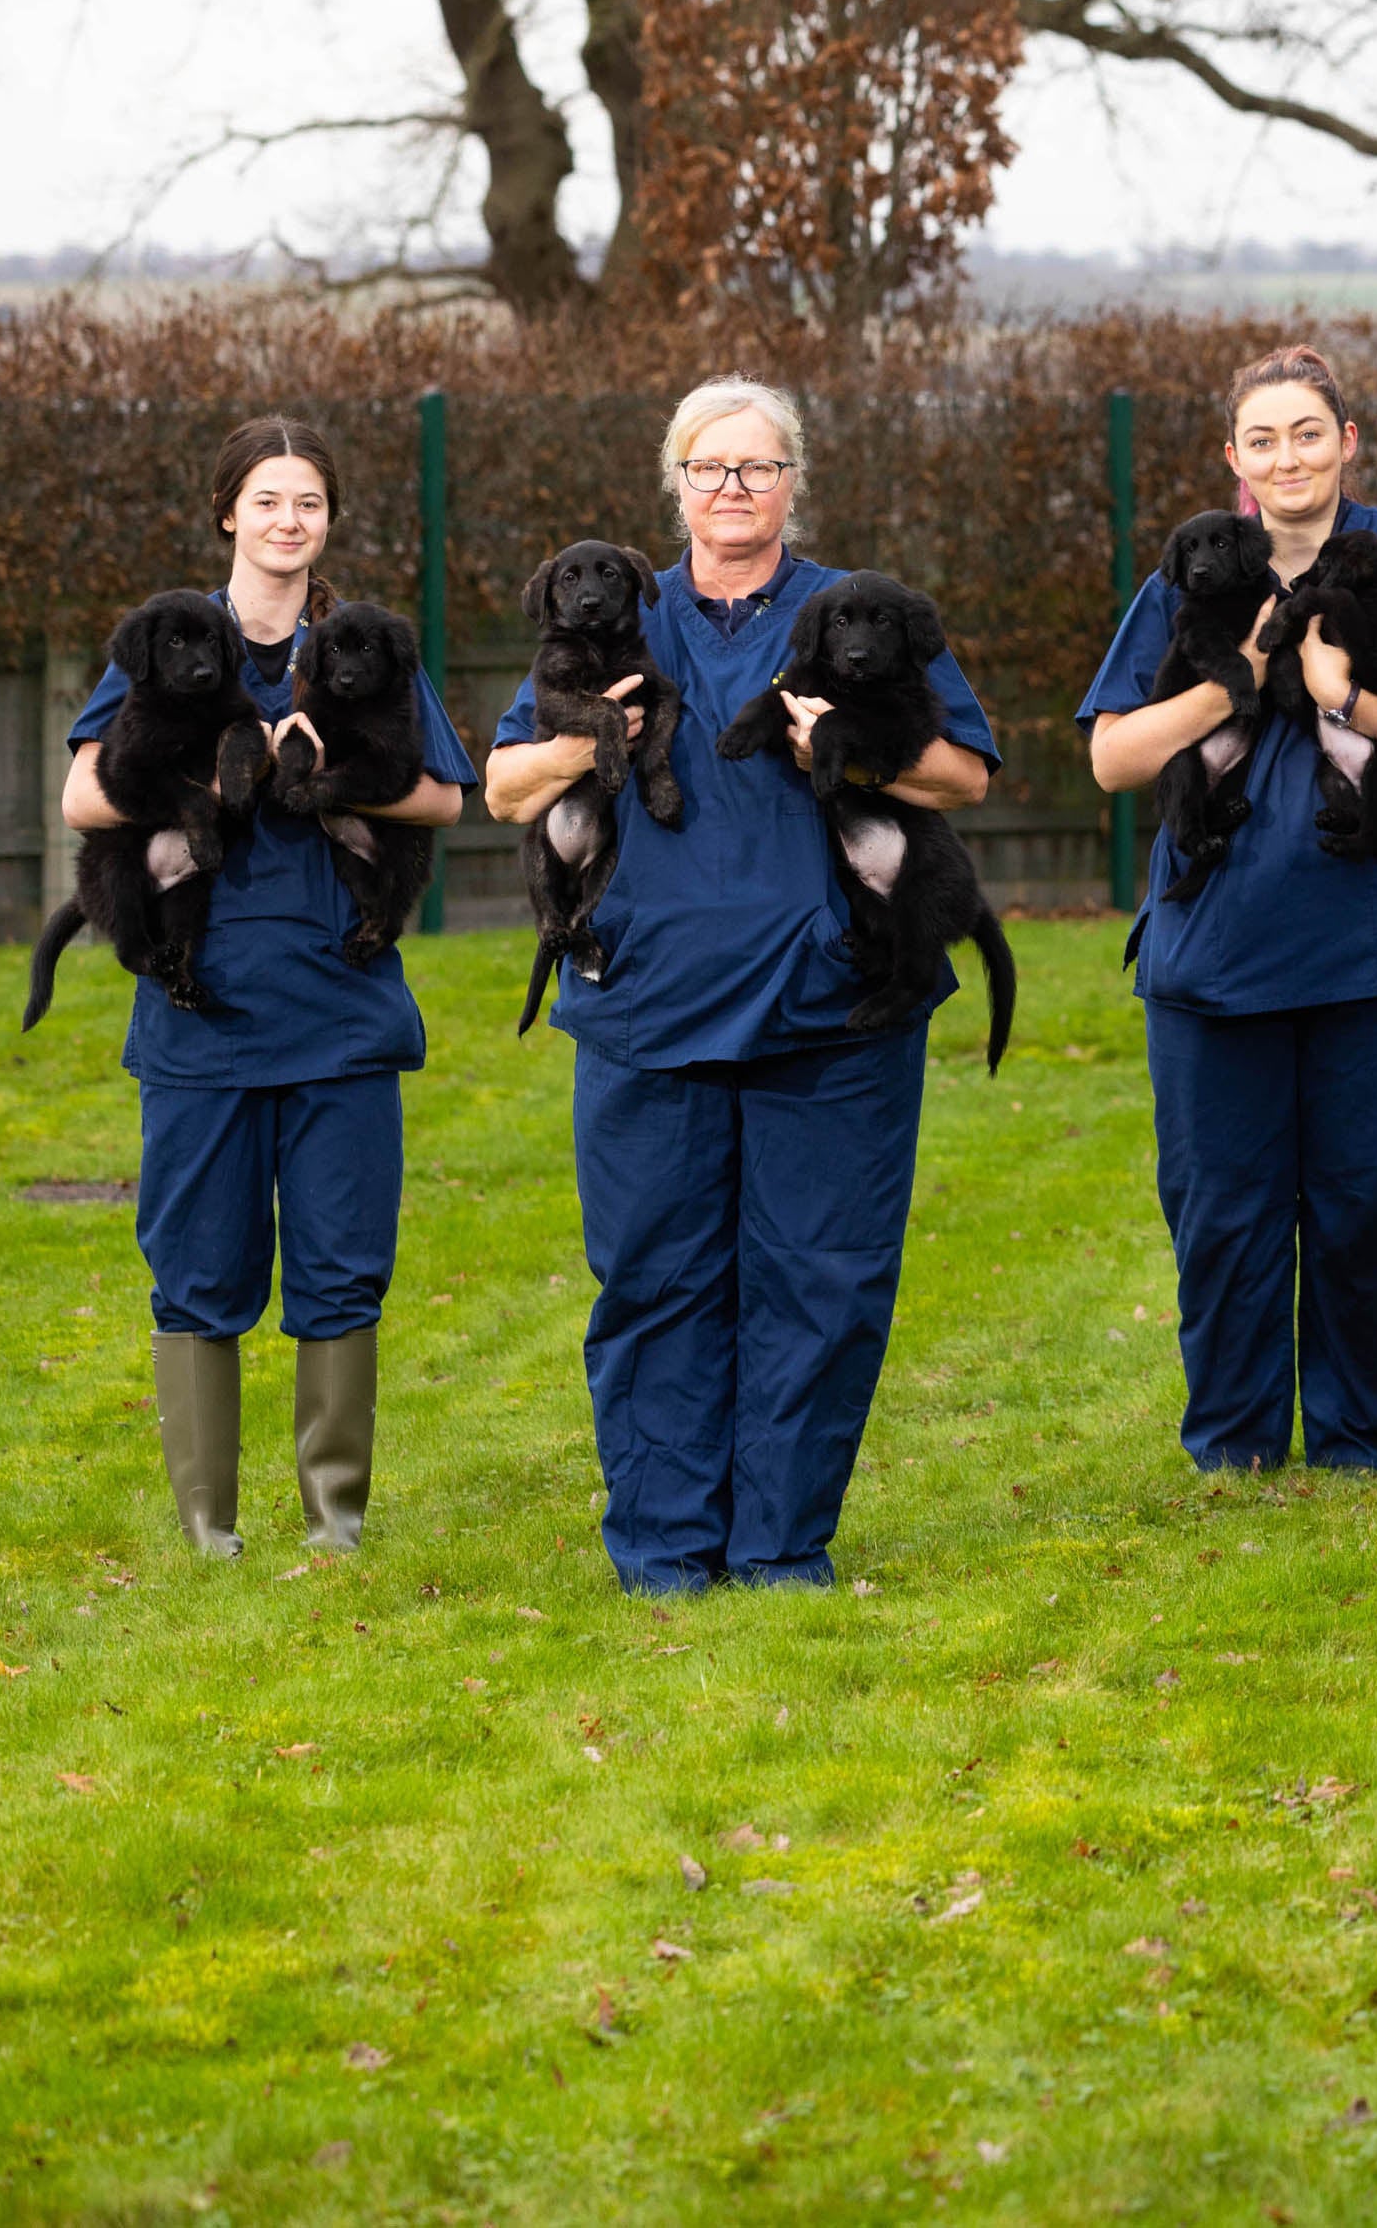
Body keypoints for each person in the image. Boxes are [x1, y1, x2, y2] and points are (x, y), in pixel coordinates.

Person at [482, 377, 998, 1593]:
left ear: (792, 484)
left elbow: (964, 775)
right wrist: (585, 736)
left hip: (827, 1008)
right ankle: (664, 1550)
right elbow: (505, 787)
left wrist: (845, 747)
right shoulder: (612, 610)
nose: (733, 491)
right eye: (711, 470)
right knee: (656, 1284)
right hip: (647, 1004)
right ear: (677, 483)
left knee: (819, 1284)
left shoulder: (847, 612)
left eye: (758, 470)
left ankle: (779, 1548)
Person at [57, 418, 475, 1559]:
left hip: (340, 1012)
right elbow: (87, 799)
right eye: (269, 500)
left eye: (310, 503)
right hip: (205, 1017)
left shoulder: (362, 644)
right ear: (228, 513)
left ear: (327, 520)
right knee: (198, 1268)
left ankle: (334, 1522)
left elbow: (444, 796)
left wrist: (317, 775)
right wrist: (218, 771)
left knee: (341, 1267)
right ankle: (210, 1532)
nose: (290, 521)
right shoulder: (172, 638)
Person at [1078, 344, 1377, 1476]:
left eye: (1308, 431)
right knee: (1221, 1216)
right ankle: (1234, 1447)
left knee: (1370, 1210)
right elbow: (1114, 758)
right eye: (1263, 438)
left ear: (1348, 442)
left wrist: (1341, 693)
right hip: (1215, 955)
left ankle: (1360, 1441)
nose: (1287, 455)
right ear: (1234, 460)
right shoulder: (1192, 571)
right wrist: (1232, 684)